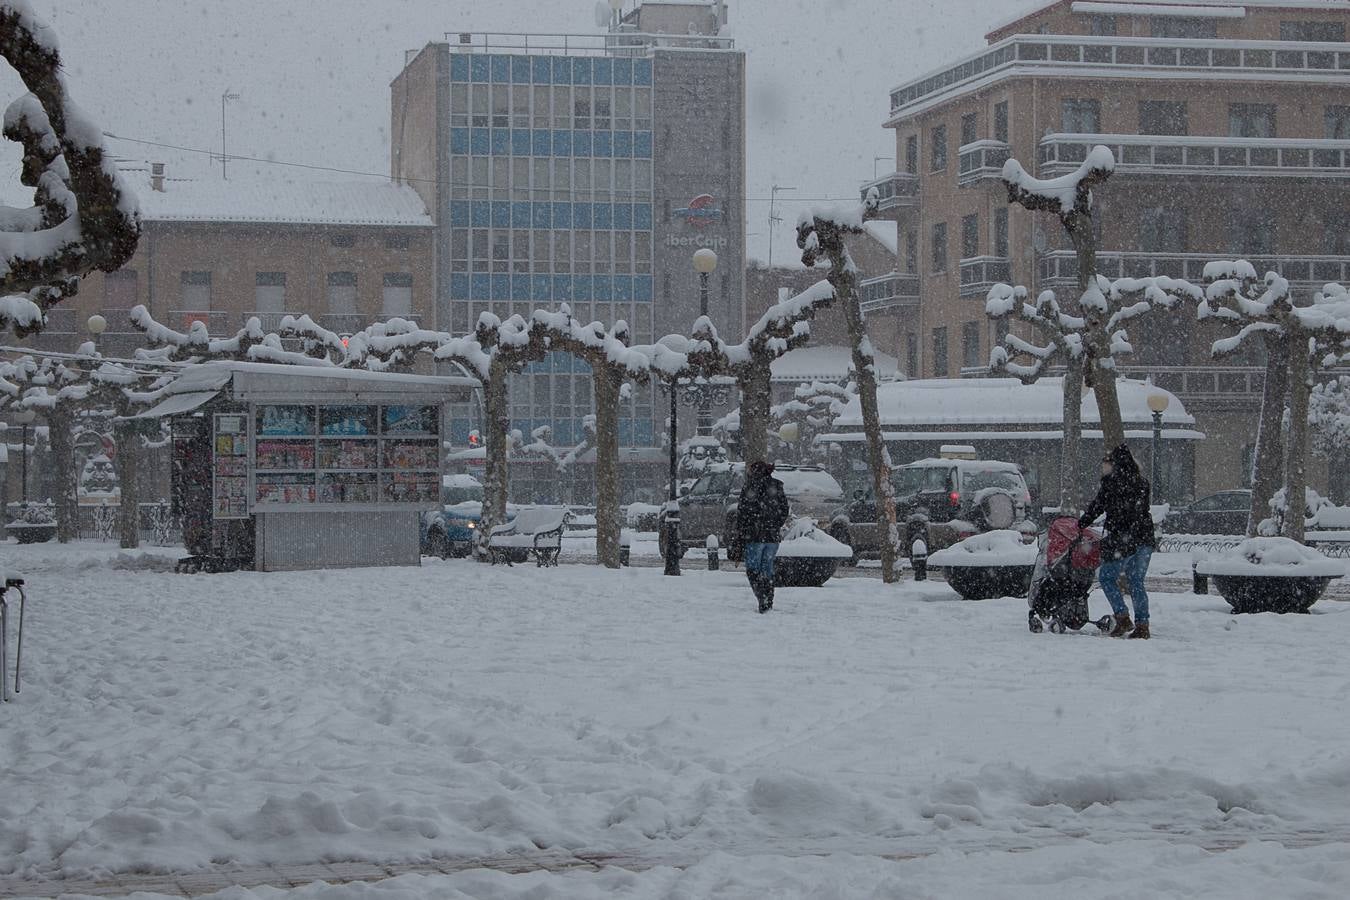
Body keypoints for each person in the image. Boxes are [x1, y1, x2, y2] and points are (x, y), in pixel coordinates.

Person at [1079, 444, 1157, 639]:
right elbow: (1142, 509)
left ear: (1115, 463)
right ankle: (1143, 625)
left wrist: (1081, 523)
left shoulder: (1111, 483)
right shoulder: (1142, 482)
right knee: (1136, 581)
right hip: (1144, 536)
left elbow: (1098, 506)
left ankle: (1122, 617)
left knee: (1106, 577)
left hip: (1123, 539)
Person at [737, 460, 791, 613]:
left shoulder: (750, 487)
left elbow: (742, 512)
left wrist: (743, 530)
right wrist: (775, 525)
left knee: (753, 569)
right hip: (772, 537)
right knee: (767, 568)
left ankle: (762, 597)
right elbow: (784, 509)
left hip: (754, 537)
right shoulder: (776, 486)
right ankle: (768, 596)